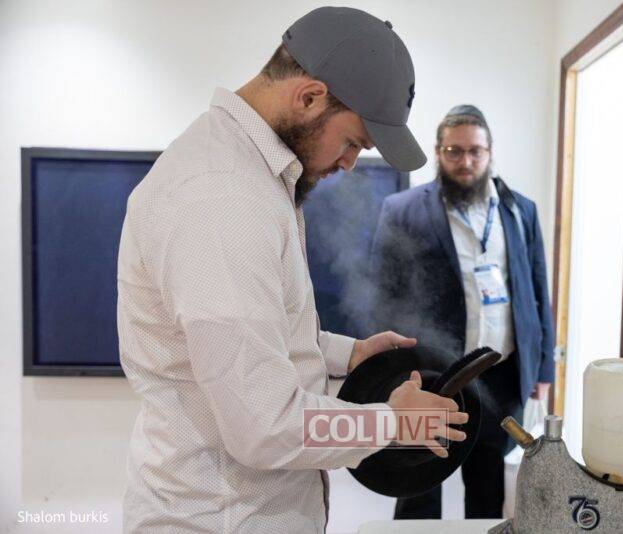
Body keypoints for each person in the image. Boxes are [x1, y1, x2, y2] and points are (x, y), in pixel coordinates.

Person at [116, 8, 467, 533]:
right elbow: (264, 426)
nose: (349, 163)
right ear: (309, 97)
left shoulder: (249, 175)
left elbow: (251, 330)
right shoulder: (222, 200)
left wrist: (347, 354)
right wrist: (393, 422)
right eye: (353, 141)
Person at [371, 104, 556, 519]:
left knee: (487, 490)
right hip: (431, 374)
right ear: (438, 152)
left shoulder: (519, 210)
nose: (465, 161)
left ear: (490, 152)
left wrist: (543, 369)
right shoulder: (403, 210)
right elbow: (383, 297)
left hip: (500, 376)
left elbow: (537, 292)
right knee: (420, 483)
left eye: (475, 151)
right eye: (454, 151)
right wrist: (389, 374)